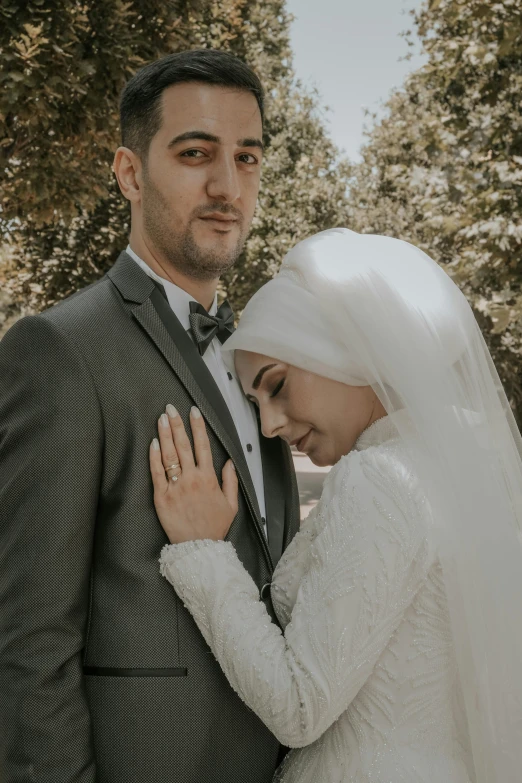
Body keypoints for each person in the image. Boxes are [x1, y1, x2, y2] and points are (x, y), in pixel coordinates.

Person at [0, 50, 300, 783]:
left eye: (248, 157)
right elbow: (28, 640)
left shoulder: (260, 357)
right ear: (130, 174)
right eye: (195, 153)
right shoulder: (60, 350)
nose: (228, 186)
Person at [150, 228, 522, 783]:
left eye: (276, 386)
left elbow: (300, 706)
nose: (271, 425)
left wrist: (204, 553)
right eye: (255, 404)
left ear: (343, 355)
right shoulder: (464, 462)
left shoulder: (381, 479)